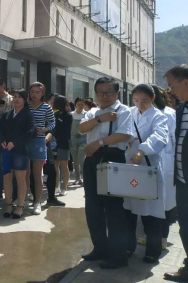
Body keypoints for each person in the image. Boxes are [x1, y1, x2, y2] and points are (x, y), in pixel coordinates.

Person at [79, 76, 134, 270]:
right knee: (92, 207)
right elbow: (82, 128)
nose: (104, 96)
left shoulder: (124, 110)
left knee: (113, 208)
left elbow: (124, 134)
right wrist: (100, 118)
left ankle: (118, 255)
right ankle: (100, 248)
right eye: (100, 92)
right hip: (92, 159)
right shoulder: (93, 112)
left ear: (117, 93)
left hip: (112, 158)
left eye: (109, 92)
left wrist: (99, 143)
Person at [163, 65, 188, 282]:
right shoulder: (180, 111)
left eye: (172, 86)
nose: (171, 91)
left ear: (185, 82)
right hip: (183, 182)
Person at [123, 84, 169, 264]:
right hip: (130, 167)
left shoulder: (158, 116)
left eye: (144, 101)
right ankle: (128, 246)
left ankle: (152, 251)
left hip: (149, 168)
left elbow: (160, 136)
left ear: (152, 99)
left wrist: (143, 149)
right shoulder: (129, 113)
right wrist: (127, 139)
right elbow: (122, 132)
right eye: (136, 100)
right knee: (128, 212)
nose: (139, 104)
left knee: (151, 214)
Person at [0, 89, 36, 219]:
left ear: (25, 100)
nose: (17, 99)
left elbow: (30, 132)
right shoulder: (7, 114)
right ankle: (8, 205)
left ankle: (20, 206)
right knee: (7, 177)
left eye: (20, 97)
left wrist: (15, 143)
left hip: (20, 151)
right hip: (7, 150)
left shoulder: (28, 115)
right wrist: (2, 140)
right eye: (15, 97)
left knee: (20, 179)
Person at [152, 85, 177, 251]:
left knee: (164, 202)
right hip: (152, 161)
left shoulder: (169, 113)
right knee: (151, 202)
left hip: (167, 161)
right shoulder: (143, 113)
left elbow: (174, 138)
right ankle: (153, 236)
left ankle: (162, 238)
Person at [27, 82, 57, 215]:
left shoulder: (46, 107)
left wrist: (45, 130)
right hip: (25, 141)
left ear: (42, 93)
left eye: (37, 92)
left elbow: (52, 123)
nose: (35, 94)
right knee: (25, 173)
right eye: (32, 92)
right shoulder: (25, 105)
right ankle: (24, 198)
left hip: (39, 141)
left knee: (37, 174)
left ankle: (37, 202)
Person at [53, 95, 72, 196]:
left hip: (64, 143)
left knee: (64, 165)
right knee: (55, 165)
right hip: (54, 143)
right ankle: (57, 186)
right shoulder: (55, 114)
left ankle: (64, 187)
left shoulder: (68, 116)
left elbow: (66, 131)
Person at [70, 97, 87, 185]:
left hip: (83, 139)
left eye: (82, 104)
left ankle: (84, 178)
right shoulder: (71, 114)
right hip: (73, 139)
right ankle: (77, 178)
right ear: (75, 105)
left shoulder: (87, 114)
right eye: (78, 104)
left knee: (81, 159)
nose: (80, 106)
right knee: (75, 160)